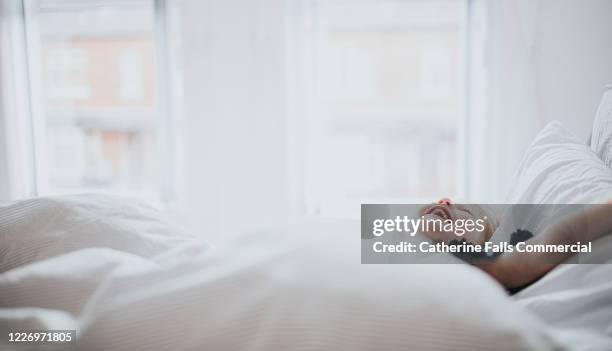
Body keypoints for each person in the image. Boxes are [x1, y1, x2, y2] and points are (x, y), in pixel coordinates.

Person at [420, 199, 612, 291]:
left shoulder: (496, 262)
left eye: (456, 206)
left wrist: (445, 235)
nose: (445, 205)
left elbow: (562, 236)